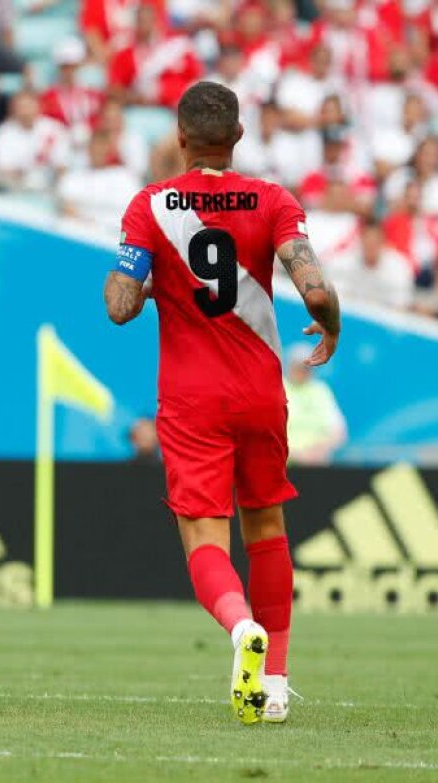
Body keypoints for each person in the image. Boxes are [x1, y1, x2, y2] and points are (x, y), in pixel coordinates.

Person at [103, 81, 342, 725]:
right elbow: (313, 289)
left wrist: (150, 282)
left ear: (180, 137)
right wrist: (333, 324)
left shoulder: (151, 205)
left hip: (192, 399)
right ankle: (279, 683)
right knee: (266, 528)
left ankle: (241, 631)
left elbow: (119, 307)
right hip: (262, 392)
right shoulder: (272, 199)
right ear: (238, 137)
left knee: (205, 539)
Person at [284, 343, 346, 465]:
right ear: (289, 366)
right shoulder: (277, 388)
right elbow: (265, 434)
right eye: (298, 366)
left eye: (307, 366)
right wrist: (296, 455)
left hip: (317, 466)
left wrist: (320, 450)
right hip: (283, 468)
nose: (302, 370)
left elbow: (339, 432)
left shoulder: (321, 391)